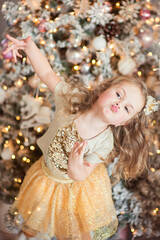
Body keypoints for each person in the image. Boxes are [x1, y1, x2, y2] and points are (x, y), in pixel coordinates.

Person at [2, 34, 157, 240]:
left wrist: (75, 164)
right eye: (119, 94)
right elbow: (48, 73)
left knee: (73, 231)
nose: (119, 103)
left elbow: (82, 174)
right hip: (46, 176)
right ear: (105, 89)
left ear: (123, 122)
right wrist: (30, 49)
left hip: (75, 190)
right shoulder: (73, 99)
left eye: (127, 108)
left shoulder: (105, 141)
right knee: (35, 219)